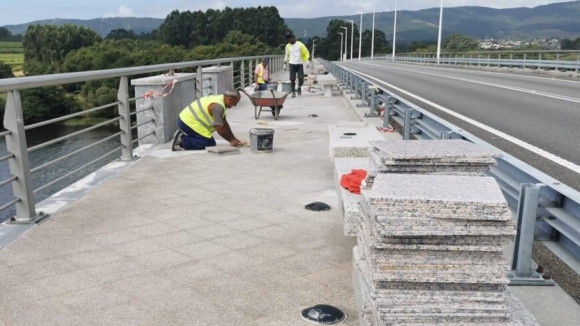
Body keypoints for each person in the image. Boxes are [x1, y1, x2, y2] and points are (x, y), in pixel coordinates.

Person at [172, 90, 245, 151]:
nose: (235, 105)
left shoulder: (220, 100)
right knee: (208, 143)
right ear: (230, 99)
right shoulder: (218, 107)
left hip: (186, 119)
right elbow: (219, 128)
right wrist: (231, 141)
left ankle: (184, 137)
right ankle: (182, 141)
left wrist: (234, 139)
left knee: (206, 140)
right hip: (187, 122)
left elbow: (224, 123)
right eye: (235, 103)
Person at [284, 33, 310, 98]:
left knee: (301, 78)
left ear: (293, 38)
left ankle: (299, 87)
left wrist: (307, 60)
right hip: (292, 63)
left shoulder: (300, 44)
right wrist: (285, 63)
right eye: (288, 40)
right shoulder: (288, 46)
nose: (290, 41)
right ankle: (293, 92)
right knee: (292, 78)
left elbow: (305, 52)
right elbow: (286, 55)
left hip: (299, 63)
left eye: (290, 39)